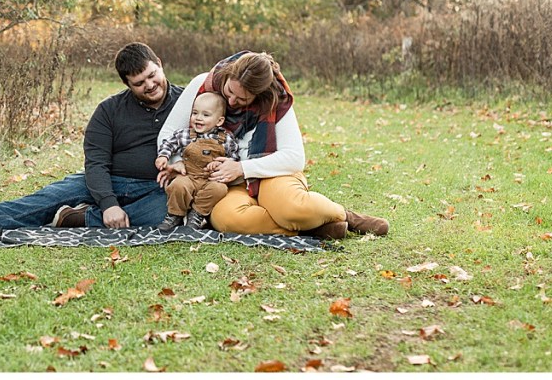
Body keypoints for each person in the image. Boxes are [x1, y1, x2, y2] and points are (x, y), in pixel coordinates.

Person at [0, 42, 182, 233]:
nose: (150, 85)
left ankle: (79, 218)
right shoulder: (109, 110)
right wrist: (108, 203)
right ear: (127, 84)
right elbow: (96, 162)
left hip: (158, 186)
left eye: (152, 75)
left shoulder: (188, 103)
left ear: (159, 64)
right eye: (139, 83)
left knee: (167, 212)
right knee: (55, 195)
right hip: (111, 179)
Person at [157, 51, 389, 239]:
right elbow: (168, 133)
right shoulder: (203, 84)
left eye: (242, 99)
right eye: (229, 91)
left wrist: (241, 168)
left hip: (270, 173)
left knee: (294, 209)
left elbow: (294, 158)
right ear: (227, 76)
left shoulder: (275, 101)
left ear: (259, 95)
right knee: (227, 220)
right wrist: (180, 164)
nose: (231, 101)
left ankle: (345, 216)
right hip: (224, 183)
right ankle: (313, 228)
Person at [153, 92, 237, 231]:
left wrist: (221, 163)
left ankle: (197, 215)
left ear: (219, 121)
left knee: (219, 189)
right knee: (178, 186)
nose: (198, 118)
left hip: (211, 178)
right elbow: (169, 144)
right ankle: (175, 215)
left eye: (206, 115)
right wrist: (163, 156)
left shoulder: (226, 139)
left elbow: (234, 158)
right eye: (195, 113)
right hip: (188, 175)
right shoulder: (185, 134)